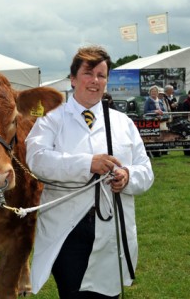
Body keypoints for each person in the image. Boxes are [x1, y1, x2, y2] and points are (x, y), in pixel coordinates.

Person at [26, 45, 154, 298]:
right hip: (68, 228)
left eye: (101, 75)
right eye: (88, 73)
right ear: (73, 79)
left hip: (111, 227)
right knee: (74, 293)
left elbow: (146, 171)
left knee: (108, 293)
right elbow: (37, 159)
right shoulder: (52, 119)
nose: (95, 81)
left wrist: (127, 176)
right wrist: (87, 164)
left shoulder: (123, 123)